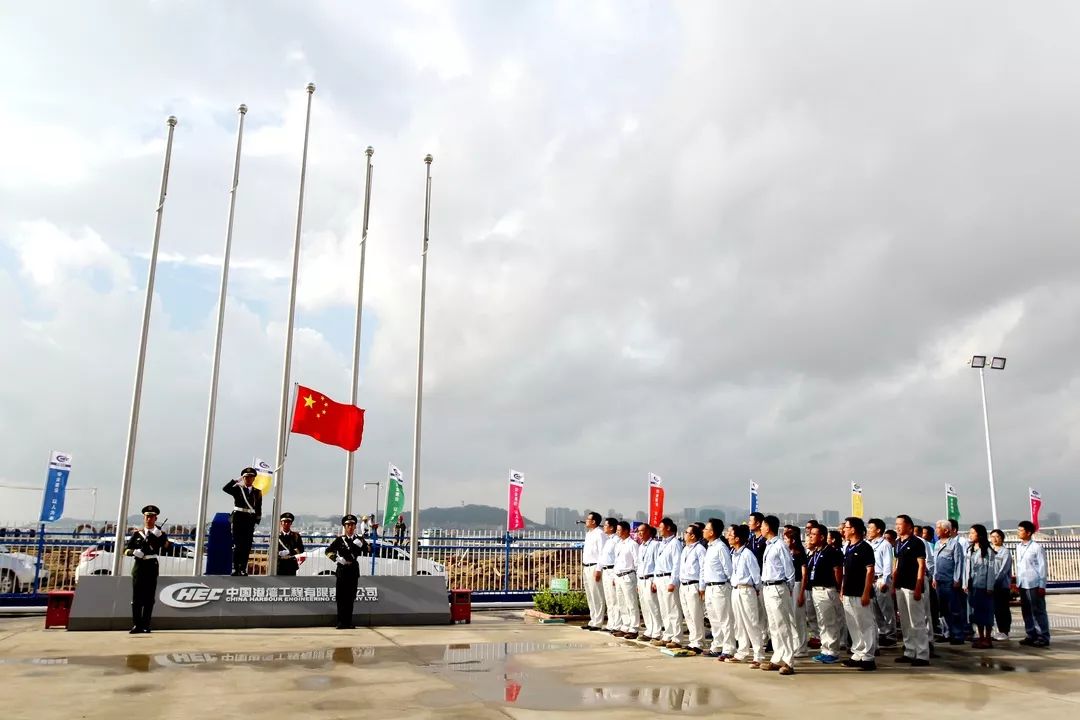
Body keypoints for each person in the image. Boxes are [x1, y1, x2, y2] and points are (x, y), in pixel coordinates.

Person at [759, 515, 797, 675]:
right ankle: (777, 657)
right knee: (773, 625)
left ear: (768, 527)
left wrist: (787, 588)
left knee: (782, 625)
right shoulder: (769, 545)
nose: (760, 528)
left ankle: (788, 661)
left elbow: (789, 570)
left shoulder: (780, 545)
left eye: (762, 525)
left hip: (778, 587)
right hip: (767, 587)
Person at [804, 523, 845, 664]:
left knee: (830, 622)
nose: (810, 537)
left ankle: (833, 651)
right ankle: (825, 649)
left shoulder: (831, 552)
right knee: (822, 622)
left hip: (827, 590)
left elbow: (838, 571)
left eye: (814, 534)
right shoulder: (816, 552)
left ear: (822, 537)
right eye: (810, 534)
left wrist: (838, 588)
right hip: (816, 590)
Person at [125, 505, 170, 634]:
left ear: (156, 518)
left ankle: (146, 624)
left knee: (149, 597)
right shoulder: (137, 534)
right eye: (147, 516)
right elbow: (126, 549)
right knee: (137, 597)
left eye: (152, 517)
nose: (149, 519)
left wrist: (160, 536)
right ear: (144, 518)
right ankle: (136, 625)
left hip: (151, 565)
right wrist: (134, 552)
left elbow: (167, 547)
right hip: (139, 566)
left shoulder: (159, 534)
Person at [892, 514, 930, 666]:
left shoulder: (917, 543)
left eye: (900, 524)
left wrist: (918, 585)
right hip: (900, 585)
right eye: (896, 524)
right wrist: (894, 585)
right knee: (906, 622)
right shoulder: (897, 543)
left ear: (909, 526)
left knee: (917, 621)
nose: (897, 527)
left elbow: (921, 565)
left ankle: (922, 654)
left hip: (912, 585)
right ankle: (909, 650)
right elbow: (896, 564)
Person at [840, 517, 877, 671]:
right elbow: (845, 572)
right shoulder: (848, 547)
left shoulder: (865, 547)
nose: (844, 530)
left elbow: (870, 571)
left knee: (866, 624)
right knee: (853, 624)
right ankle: (858, 653)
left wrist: (866, 592)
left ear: (854, 529)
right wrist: (842, 589)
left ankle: (868, 656)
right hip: (848, 592)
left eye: (847, 527)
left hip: (860, 592)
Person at [726, 524, 764, 666]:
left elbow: (756, 575)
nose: (728, 537)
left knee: (751, 622)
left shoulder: (747, 554)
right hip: (736, 589)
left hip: (747, 590)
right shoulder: (734, 553)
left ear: (737, 538)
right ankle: (742, 651)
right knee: (739, 623)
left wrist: (756, 589)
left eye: (731, 535)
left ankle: (758, 654)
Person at [325, 515, 370, 630]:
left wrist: (364, 545)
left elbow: (369, 550)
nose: (350, 527)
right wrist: (337, 559)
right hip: (342, 570)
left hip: (353, 570)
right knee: (341, 597)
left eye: (352, 525)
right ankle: (341, 622)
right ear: (344, 527)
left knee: (350, 597)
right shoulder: (340, 540)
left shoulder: (359, 539)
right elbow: (328, 551)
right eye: (347, 525)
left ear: (355, 526)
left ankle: (348, 622)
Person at [702, 518, 734, 659]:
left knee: (724, 619)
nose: (704, 531)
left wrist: (726, 584)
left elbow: (728, 569)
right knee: (714, 619)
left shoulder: (721, 547)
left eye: (706, 528)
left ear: (713, 532)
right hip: (710, 587)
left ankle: (728, 648)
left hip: (720, 586)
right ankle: (717, 645)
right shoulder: (710, 547)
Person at [1015, 520, 1050, 647]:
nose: (1018, 532)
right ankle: (1031, 634)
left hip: (1034, 583)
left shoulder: (1036, 547)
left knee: (1038, 610)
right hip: (1023, 582)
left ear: (1028, 532)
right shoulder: (1018, 547)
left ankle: (1043, 636)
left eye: (1021, 530)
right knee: (1026, 611)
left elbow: (1042, 567)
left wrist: (1042, 585)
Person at [222, 467, 262, 576]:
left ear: (254, 479)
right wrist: (236, 480)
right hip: (238, 518)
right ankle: (235, 568)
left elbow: (258, 508)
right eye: (246, 477)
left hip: (249, 520)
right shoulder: (238, 489)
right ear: (243, 478)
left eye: (251, 477)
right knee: (237, 545)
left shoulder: (257, 492)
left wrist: (256, 521)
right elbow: (225, 488)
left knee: (247, 545)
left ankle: (243, 568)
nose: (248, 479)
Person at [933, 520, 966, 644]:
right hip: (939, 580)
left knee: (954, 609)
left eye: (938, 528)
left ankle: (957, 635)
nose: (936, 530)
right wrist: (934, 577)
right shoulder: (937, 544)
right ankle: (946, 633)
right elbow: (936, 563)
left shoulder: (954, 545)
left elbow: (959, 563)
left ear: (946, 530)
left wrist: (957, 579)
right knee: (943, 609)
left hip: (950, 581)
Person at [866, 518, 896, 648]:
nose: (868, 530)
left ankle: (891, 635)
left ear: (878, 530)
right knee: (875, 610)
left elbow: (888, 564)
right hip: (870, 580)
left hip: (880, 579)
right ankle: (882, 632)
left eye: (870, 528)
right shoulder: (869, 544)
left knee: (886, 609)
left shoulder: (885, 544)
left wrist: (885, 580)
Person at [655, 517, 684, 648]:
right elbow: (658, 564)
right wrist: (655, 580)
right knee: (664, 608)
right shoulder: (662, 543)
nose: (659, 530)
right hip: (660, 578)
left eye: (661, 527)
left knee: (673, 608)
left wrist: (673, 581)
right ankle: (668, 634)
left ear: (668, 528)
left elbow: (676, 564)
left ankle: (676, 637)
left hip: (668, 578)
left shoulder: (675, 543)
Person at [965, 524, 996, 648]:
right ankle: (981, 637)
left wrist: (990, 587)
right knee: (976, 613)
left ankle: (988, 639)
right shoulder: (970, 549)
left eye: (973, 533)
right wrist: (965, 583)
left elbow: (991, 570)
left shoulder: (988, 551)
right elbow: (966, 568)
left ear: (980, 534)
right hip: (973, 585)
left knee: (986, 612)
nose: (970, 535)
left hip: (984, 586)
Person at [677, 524, 707, 654]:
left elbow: (703, 569)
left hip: (694, 584)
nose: (684, 535)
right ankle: (692, 640)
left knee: (696, 614)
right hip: (684, 584)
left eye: (686, 532)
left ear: (693, 535)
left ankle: (699, 642)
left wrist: (701, 586)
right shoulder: (685, 549)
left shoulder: (700, 549)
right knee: (688, 615)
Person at [611, 521, 641, 640]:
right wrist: (614, 576)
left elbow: (637, 562)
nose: (617, 532)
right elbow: (616, 562)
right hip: (618, 576)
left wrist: (638, 579)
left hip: (628, 575)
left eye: (619, 530)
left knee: (631, 602)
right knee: (621, 602)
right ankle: (625, 624)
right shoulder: (619, 544)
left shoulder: (633, 544)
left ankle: (634, 627)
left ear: (626, 530)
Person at [635, 523, 663, 642]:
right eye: (638, 531)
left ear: (649, 532)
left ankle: (657, 631)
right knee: (645, 606)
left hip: (650, 578)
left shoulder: (655, 545)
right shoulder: (641, 546)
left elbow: (658, 564)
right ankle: (649, 630)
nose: (640, 533)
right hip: (641, 579)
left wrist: (655, 581)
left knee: (653, 606)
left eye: (642, 531)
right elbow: (639, 565)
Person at [581, 511, 607, 631]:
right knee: (590, 595)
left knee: (597, 595)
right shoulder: (589, 534)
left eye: (588, 519)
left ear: (594, 521)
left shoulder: (600, 534)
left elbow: (602, 553)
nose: (586, 521)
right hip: (586, 566)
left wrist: (598, 569)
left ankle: (598, 622)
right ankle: (592, 620)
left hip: (594, 566)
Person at [989, 529, 1013, 641]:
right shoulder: (990, 551)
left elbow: (1003, 570)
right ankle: (999, 630)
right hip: (990, 586)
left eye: (997, 536)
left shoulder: (1005, 552)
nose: (994, 538)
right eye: (992, 536)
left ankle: (1005, 631)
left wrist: (995, 582)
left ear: (1002, 538)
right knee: (995, 609)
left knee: (1002, 609)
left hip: (1001, 586)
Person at [599, 517, 621, 633]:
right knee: (609, 599)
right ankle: (611, 623)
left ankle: (617, 624)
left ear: (612, 527)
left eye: (606, 525)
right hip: (606, 571)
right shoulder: (608, 541)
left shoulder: (617, 541)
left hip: (612, 570)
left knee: (615, 599)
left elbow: (618, 559)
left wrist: (614, 575)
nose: (604, 527)